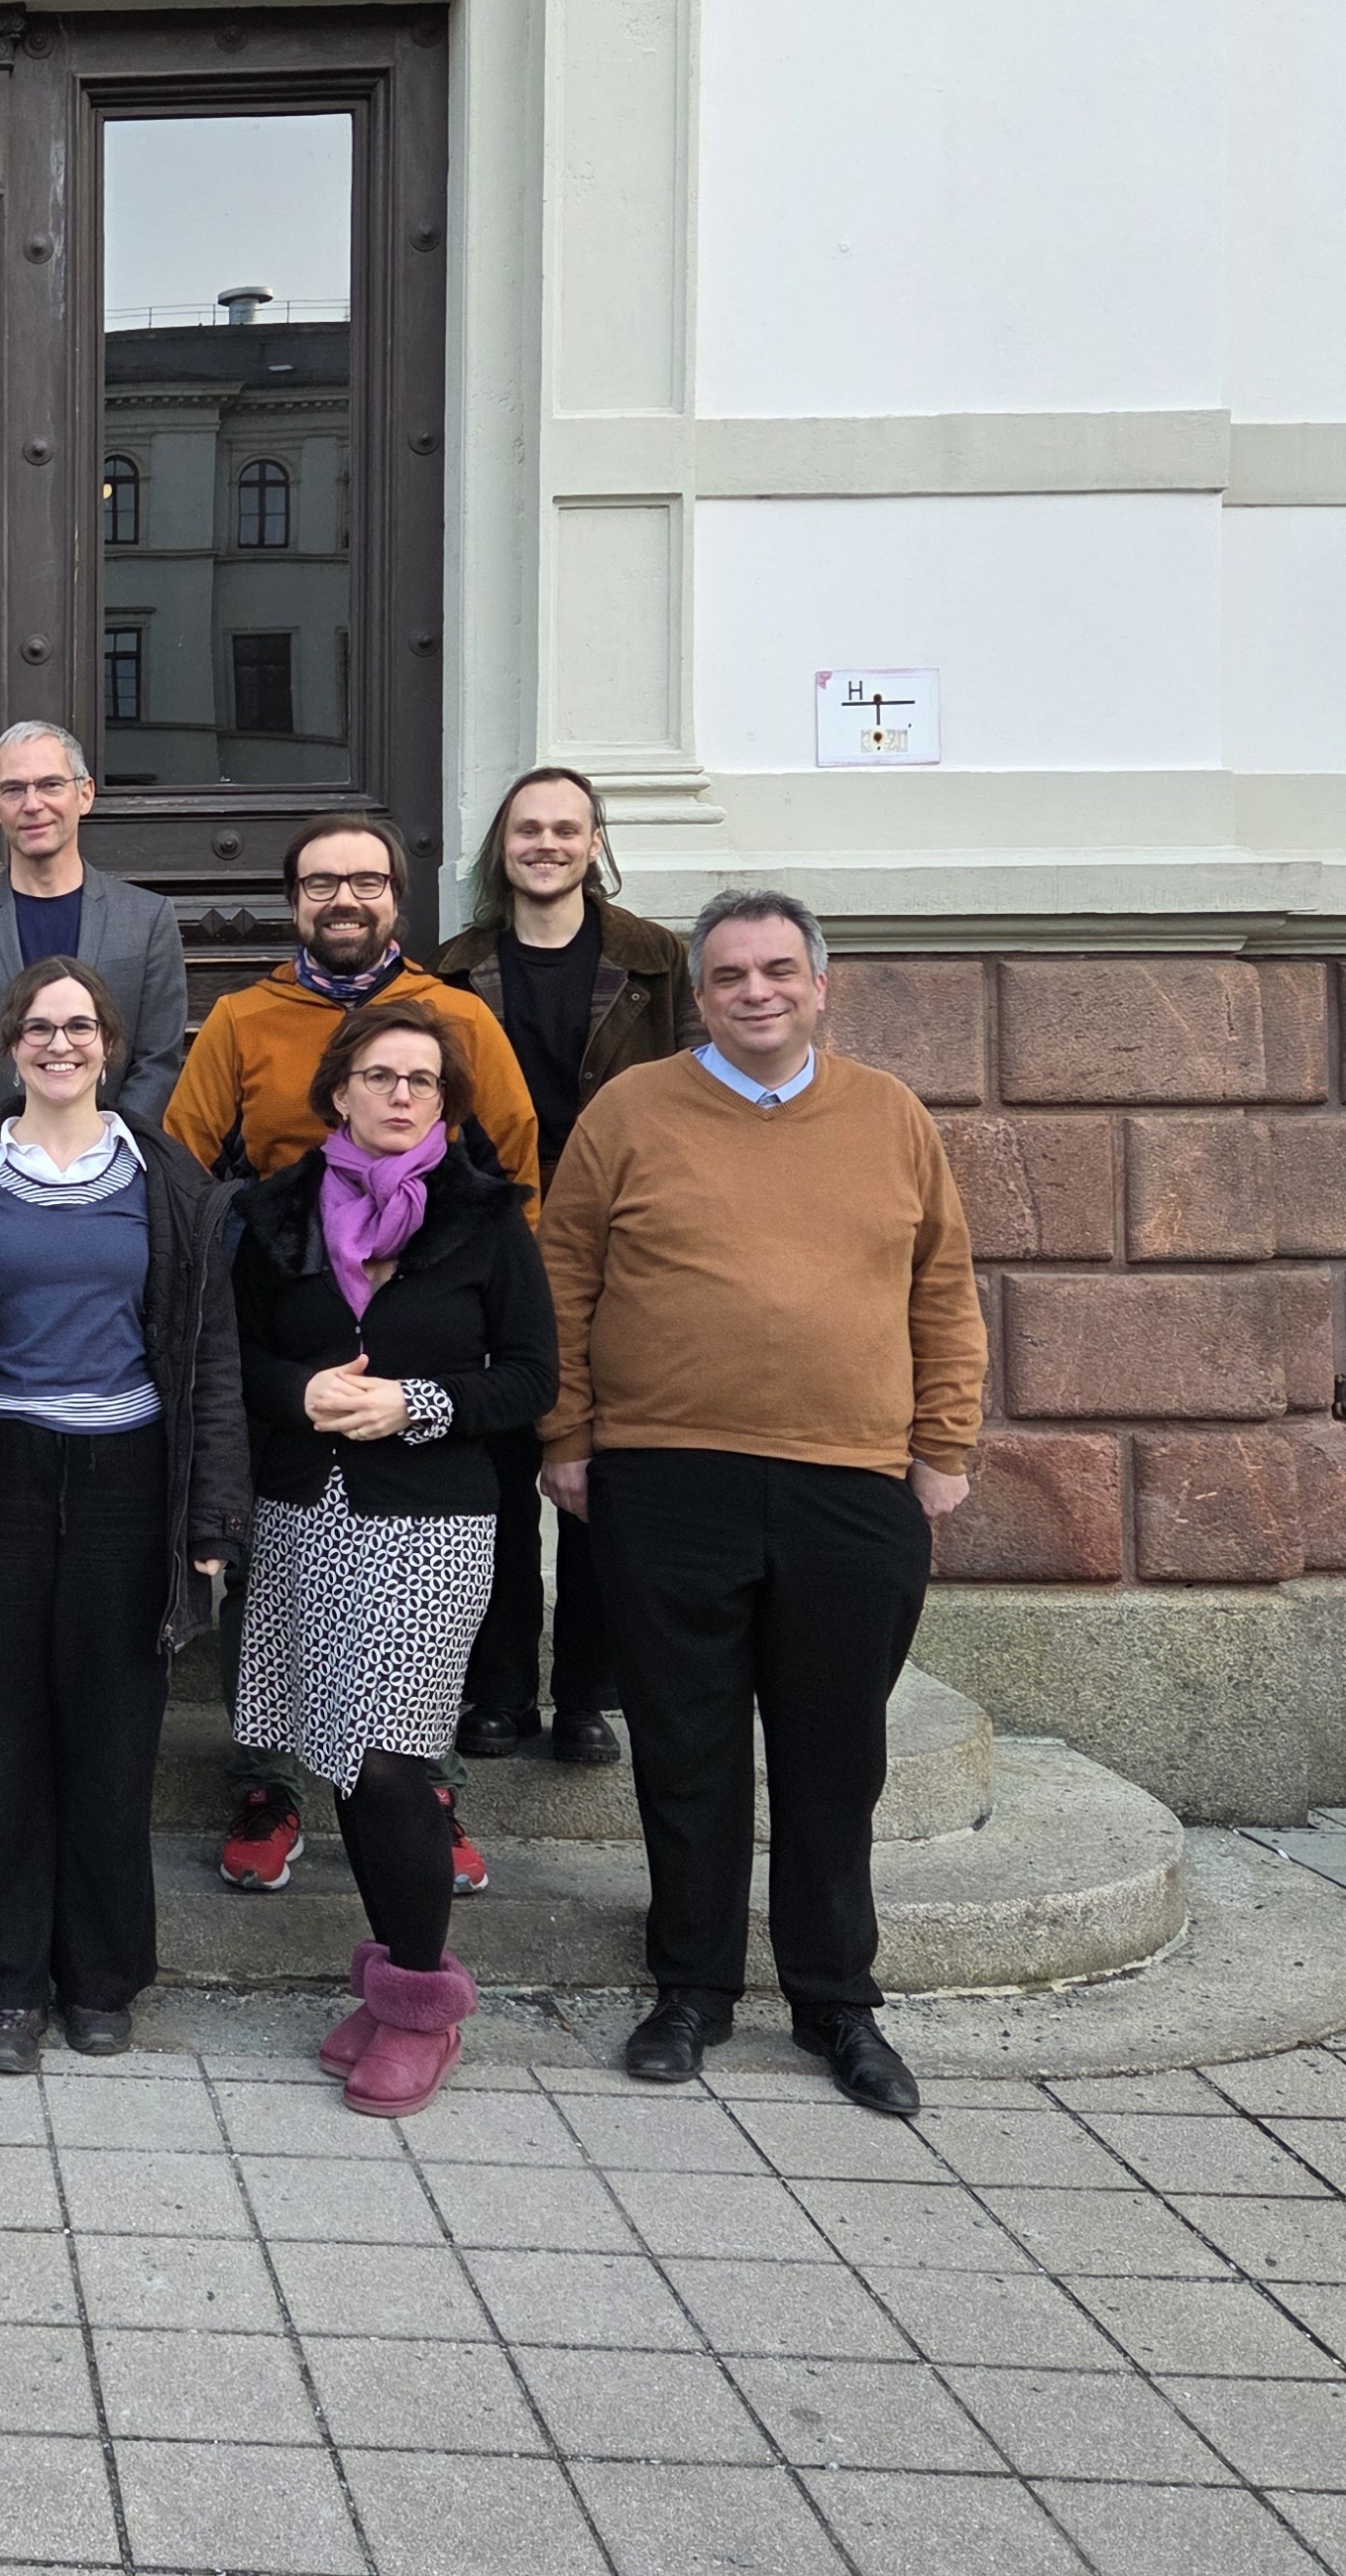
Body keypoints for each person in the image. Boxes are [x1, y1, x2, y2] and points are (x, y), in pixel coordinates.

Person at [536, 889, 983, 2119]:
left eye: (778, 970)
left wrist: (942, 1442)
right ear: (698, 995)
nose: (755, 992)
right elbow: (563, 1277)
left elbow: (941, 1284)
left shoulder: (889, 1116)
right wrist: (566, 1434)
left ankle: (835, 2001)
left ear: (819, 986)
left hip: (852, 1480)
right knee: (686, 1752)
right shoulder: (631, 1112)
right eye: (729, 975)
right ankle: (691, 1990)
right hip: (666, 1476)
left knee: (834, 1758)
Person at [0, 957, 247, 2075]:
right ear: (10, 1046)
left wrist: (211, 1519)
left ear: (110, 1045)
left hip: (129, 1480)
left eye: (80, 1026)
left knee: (112, 1739)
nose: (60, 1044)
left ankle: (99, 1979)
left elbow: (210, 1360)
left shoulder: (168, 1181)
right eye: (38, 1027)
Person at [161, 815, 538, 1896]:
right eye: (321, 882)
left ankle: (426, 1794)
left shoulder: (458, 1015)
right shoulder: (244, 1018)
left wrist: (481, 1283)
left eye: (365, 880)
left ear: (396, 898)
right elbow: (183, 1163)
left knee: (418, 1612)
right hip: (291, 1301)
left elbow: (513, 1157)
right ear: (293, 902)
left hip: (427, 1308)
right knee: (276, 1581)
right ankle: (267, 1787)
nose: (344, 899)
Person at [231, 998, 555, 2117]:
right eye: (380, 1075)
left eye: (422, 1080)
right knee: (337, 1754)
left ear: (446, 1101)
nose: (401, 1095)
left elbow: (532, 1377)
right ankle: (388, 1989)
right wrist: (300, 1392)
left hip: (430, 1523)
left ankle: (424, 2005)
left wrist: (415, 1404)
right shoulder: (275, 1213)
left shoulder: (485, 1218)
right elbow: (232, 1357)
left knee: (385, 1759)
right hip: (303, 1513)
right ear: (338, 1091)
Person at [427, 768, 697, 1769]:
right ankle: (498, 1689)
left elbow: (698, 1089)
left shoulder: (657, 961)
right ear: (501, 848)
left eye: (565, 829)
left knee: (601, 1473)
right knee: (497, 1472)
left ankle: (587, 1693)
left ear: (595, 844)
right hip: (490, 1237)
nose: (545, 844)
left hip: (622, 1235)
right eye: (526, 829)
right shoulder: (453, 970)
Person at [0, 723, 189, 1129]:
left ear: (85, 794)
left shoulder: (147, 920)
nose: (32, 804)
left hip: (112, 1156)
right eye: (13, 789)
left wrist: (107, 1146)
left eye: (50, 785)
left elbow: (158, 1059)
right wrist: (0, 1149)